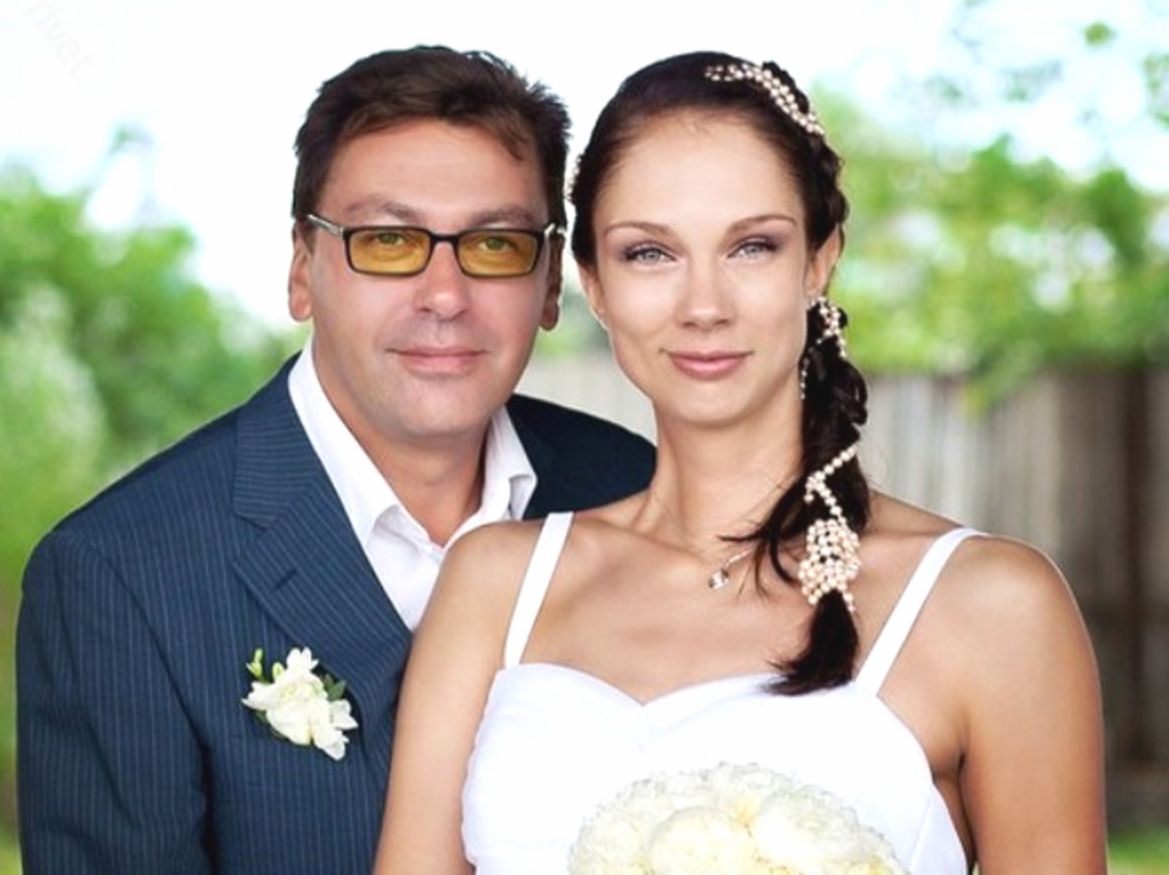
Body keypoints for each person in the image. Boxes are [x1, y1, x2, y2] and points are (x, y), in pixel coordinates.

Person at [373, 51, 1107, 874]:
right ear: (593, 283)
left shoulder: (992, 606)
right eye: (649, 253)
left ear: (819, 260)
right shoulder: (494, 582)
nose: (703, 306)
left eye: (752, 246)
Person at [16, 47, 654, 875]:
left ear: (547, 283)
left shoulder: (632, 486)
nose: (445, 294)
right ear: (300, 269)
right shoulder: (119, 575)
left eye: (495, 244)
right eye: (387, 241)